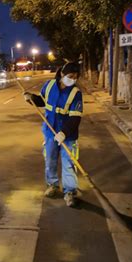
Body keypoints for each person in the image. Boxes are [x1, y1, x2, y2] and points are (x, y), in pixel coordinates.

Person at [23, 62, 83, 207]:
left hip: (68, 136)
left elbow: (75, 117)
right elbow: (42, 101)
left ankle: (69, 192)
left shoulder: (76, 93)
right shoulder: (49, 86)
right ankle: (53, 185)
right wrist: (31, 98)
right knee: (50, 160)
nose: (73, 80)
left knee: (68, 164)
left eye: (75, 77)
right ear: (62, 74)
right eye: (70, 76)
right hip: (50, 132)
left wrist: (64, 133)